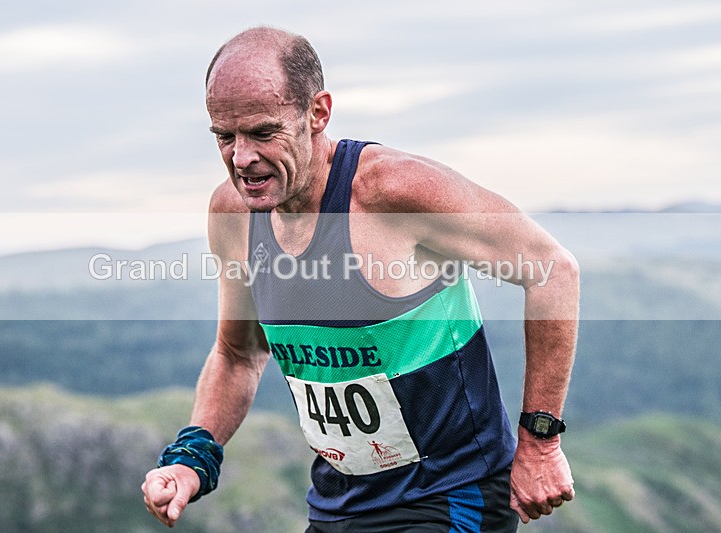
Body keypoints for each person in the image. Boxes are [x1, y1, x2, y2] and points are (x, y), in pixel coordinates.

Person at [142, 26, 578, 532]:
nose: (241, 158)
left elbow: (553, 270)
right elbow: (239, 354)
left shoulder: (395, 192)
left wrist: (540, 441)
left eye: (263, 133)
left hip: (451, 496)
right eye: (224, 137)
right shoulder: (233, 213)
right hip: (338, 505)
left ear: (318, 112)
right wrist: (192, 456)